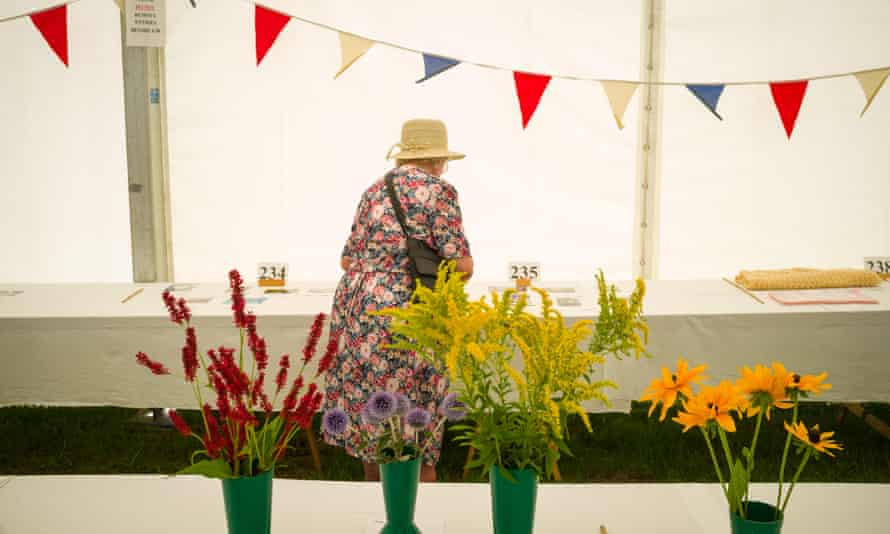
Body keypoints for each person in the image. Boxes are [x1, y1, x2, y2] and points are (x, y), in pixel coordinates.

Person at [322, 119, 474, 482]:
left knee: (372, 415)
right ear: (439, 160)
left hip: (357, 310)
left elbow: (347, 259)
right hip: (406, 313)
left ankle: (378, 507)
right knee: (415, 422)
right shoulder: (440, 191)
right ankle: (421, 510)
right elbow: (462, 265)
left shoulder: (374, 190)